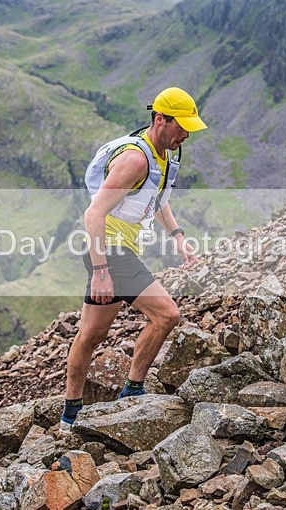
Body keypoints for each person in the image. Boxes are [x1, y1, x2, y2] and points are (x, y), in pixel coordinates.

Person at [61, 87, 207, 430]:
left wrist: (177, 236)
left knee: (91, 335)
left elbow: (157, 199)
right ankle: (132, 392)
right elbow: (93, 213)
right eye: (182, 126)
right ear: (160, 119)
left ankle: (70, 415)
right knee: (167, 315)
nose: (186, 135)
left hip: (117, 251)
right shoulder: (135, 159)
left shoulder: (163, 155)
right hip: (110, 251)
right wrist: (101, 271)